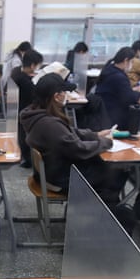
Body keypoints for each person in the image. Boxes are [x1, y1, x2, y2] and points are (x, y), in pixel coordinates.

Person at [20, 73, 122, 206]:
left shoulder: (36, 113)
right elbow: (79, 149)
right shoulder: (50, 124)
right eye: (65, 92)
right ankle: (101, 214)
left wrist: (96, 135)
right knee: (115, 173)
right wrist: (107, 142)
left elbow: (70, 132)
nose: (67, 95)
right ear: (56, 96)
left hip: (50, 172)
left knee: (107, 169)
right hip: (60, 178)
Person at [11, 49, 45, 167]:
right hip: (26, 110)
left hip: (19, 109)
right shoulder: (24, 81)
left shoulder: (17, 72)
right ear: (32, 65)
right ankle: (28, 159)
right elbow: (35, 94)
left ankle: (26, 157)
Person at [95, 47, 140, 130]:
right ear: (126, 60)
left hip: (105, 112)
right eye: (131, 62)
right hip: (115, 116)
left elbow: (119, 91)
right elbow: (129, 98)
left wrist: (134, 90)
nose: (132, 65)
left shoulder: (109, 69)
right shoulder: (118, 77)